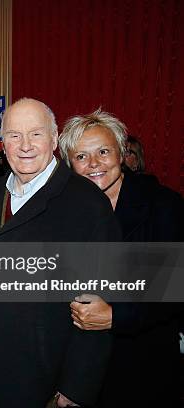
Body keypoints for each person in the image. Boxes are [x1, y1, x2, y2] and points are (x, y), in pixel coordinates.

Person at [0, 98, 120, 408]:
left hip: (38, 372)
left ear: (54, 140)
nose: (25, 145)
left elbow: (97, 305)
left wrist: (77, 386)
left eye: (36, 134)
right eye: (14, 135)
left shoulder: (86, 203)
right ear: (2, 143)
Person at [59, 108, 183, 407]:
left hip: (144, 364)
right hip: (85, 368)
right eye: (81, 156)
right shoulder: (65, 212)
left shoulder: (163, 205)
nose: (94, 164)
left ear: (122, 154)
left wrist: (116, 316)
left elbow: (172, 290)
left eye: (103, 151)